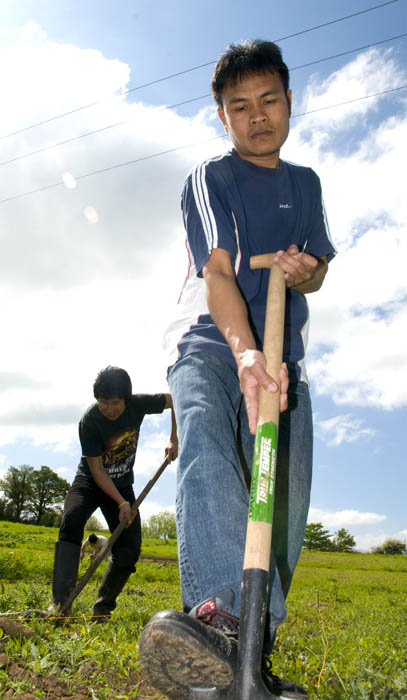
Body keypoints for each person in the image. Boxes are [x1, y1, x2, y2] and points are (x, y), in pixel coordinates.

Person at [139, 39, 336, 699]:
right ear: (222, 116)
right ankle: (222, 620)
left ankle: (251, 650)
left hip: (282, 359)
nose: (256, 117)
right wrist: (246, 352)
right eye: (239, 107)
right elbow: (218, 271)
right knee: (206, 440)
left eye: (268, 101)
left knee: (279, 496)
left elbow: (313, 267)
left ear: (287, 102)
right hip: (210, 342)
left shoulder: (304, 185)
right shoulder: (211, 178)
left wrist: (306, 271)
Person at [48, 365, 177, 620]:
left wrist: (174, 437)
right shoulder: (90, 421)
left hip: (121, 484)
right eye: (103, 402)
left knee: (130, 548)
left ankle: (103, 608)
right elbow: (96, 470)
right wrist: (121, 503)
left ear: (126, 399)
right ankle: (60, 603)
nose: (108, 409)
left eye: (115, 403)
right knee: (72, 518)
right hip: (90, 481)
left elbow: (176, 400)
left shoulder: (138, 405)